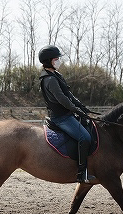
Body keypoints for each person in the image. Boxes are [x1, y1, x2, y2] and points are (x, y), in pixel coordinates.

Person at [38, 45, 95, 183]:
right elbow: (62, 99)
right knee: (85, 138)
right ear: (49, 60)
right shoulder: (49, 79)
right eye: (56, 59)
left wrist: (81, 106)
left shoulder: (56, 75)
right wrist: (76, 110)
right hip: (60, 118)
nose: (59, 61)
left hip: (68, 114)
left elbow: (68, 94)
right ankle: (82, 173)